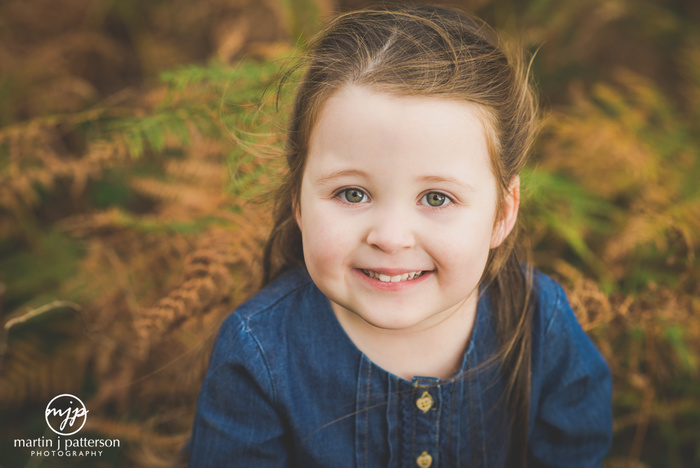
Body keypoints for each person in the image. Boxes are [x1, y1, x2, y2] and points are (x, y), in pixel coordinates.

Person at [188, 4, 612, 467]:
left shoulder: (538, 321)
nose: (390, 238)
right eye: (352, 193)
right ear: (298, 200)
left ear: (501, 214)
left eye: (436, 199)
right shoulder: (259, 352)